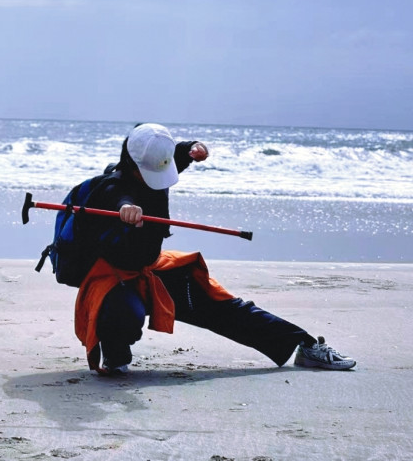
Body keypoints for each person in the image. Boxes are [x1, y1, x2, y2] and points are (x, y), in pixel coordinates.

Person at [74, 123, 356, 374]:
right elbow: (117, 196)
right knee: (123, 313)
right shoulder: (110, 186)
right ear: (133, 162)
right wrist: (126, 208)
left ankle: (304, 345)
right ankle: (115, 357)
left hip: (154, 268)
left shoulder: (158, 161)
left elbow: (179, 152)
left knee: (222, 306)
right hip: (114, 279)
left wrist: (194, 148)